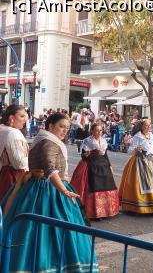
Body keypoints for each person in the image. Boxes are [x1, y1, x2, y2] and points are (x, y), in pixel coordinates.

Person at [0, 113, 98, 271]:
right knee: (50, 230)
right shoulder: (48, 142)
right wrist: (63, 190)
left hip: (35, 188)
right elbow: (50, 169)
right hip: (48, 190)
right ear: (50, 126)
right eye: (61, 126)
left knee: (32, 229)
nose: (65, 130)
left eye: (67, 127)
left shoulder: (42, 140)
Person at [119, 119, 153, 214]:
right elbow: (129, 150)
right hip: (139, 161)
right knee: (142, 183)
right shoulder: (137, 136)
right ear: (142, 126)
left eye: (149, 126)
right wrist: (135, 149)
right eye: (145, 126)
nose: (147, 127)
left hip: (152, 161)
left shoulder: (151, 136)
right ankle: (142, 205)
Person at [71, 123, 119, 219]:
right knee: (94, 184)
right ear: (92, 131)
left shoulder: (103, 141)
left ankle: (106, 211)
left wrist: (110, 166)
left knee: (107, 183)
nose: (98, 132)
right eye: (96, 130)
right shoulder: (87, 141)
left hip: (103, 165)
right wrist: (87, 154)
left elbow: (105, 155)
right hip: (91, 164)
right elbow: (83, 156)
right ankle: (94, 212)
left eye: (100, 130)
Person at [0, 104, 29, 201]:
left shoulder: (2, 129)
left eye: (25, 116)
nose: (25, 119)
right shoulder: (13, 133)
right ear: (11, 118)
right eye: (21, 116)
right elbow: (19, 163)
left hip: (3, 172)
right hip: (12, 177)